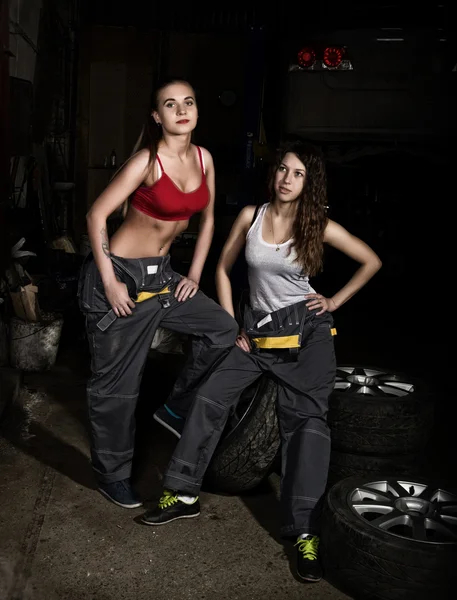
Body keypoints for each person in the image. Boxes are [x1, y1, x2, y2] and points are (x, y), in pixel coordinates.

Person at [140, 140, 382, 583]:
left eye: (297, 175)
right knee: (211, 397)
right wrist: (234, 326)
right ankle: (182, 494)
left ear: (309, 184)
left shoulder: (317, 225)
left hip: (305, 339)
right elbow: (223, 268)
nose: (286, 180)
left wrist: (333, 301)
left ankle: (305, 533)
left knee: (306, 427)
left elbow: (371, 260)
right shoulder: (251, 216)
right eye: (282, 171)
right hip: (256, 334)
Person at [77, 78, 238, 509]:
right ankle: (111, 475)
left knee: (222, 329)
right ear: (157, 116)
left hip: (164, 277)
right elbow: (96, 215)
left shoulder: (204, 159)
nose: (181, 109)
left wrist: (195, 275)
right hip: (123, 278)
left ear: (197, 110)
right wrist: (110, 281)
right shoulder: (146, 162)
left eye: (188, 101)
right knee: (117, 389)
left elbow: (207, 221)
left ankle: (174, 407)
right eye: (171, 104)